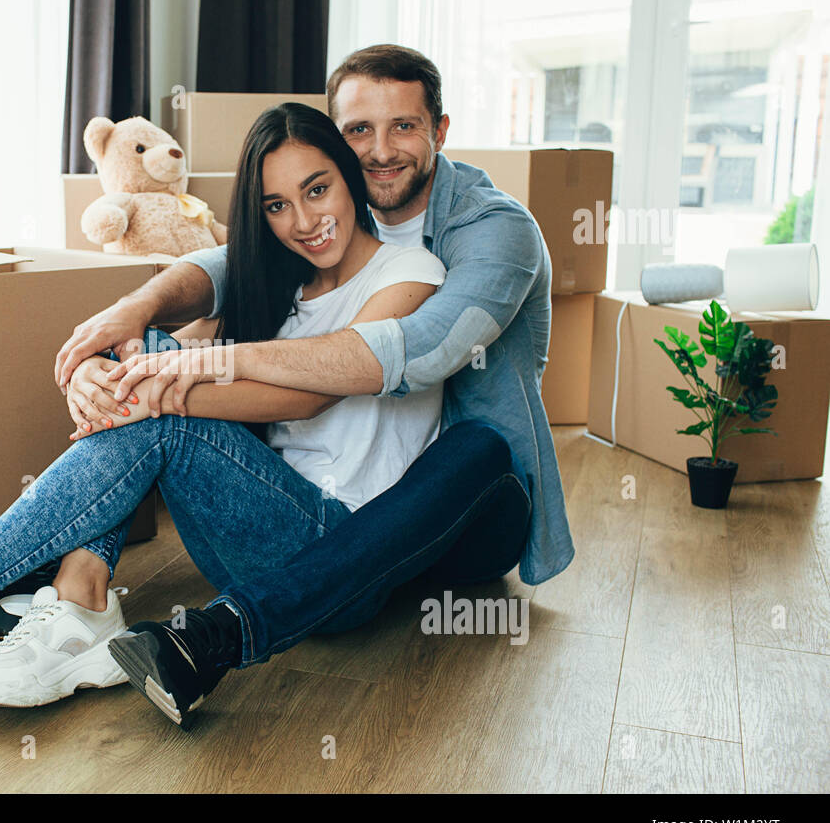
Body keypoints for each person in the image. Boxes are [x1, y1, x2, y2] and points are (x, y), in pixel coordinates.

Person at [0, 101, 448, 714]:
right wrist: (100, 375)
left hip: (336, 555)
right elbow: (162, 355)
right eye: (276, 205)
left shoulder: (410, 272)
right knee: (148, 367)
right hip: (247, 544)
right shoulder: (285, 282)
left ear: (349, 177)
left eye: (317, 188)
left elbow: (316, 386)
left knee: (160, 403)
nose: (303, 221)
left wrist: (150, 386)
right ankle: (78, 598)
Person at [57, 44, 575, 728]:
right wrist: (139, 312)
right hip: (349, 509)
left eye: (404, 127)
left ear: (440, 132)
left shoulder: (493, 229)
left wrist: (197, 374)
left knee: (476, 448)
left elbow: (415, 352)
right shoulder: (346, 207)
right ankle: (36, 575)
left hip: (466, 512)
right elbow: (235, 258)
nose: (381, 150)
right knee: (150, 358)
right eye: (360, 130)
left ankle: (221, 635)